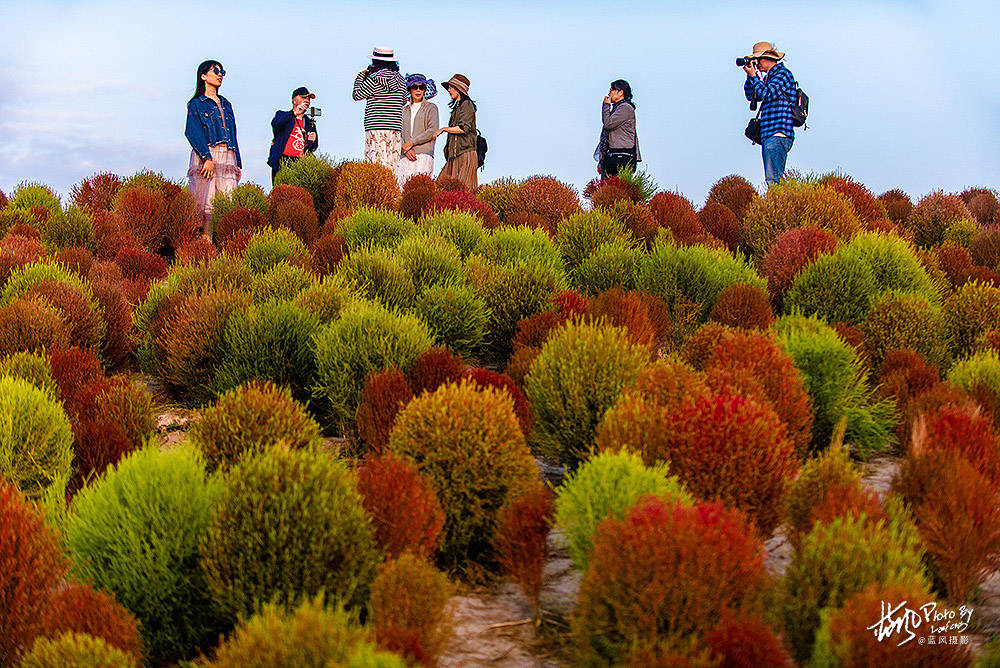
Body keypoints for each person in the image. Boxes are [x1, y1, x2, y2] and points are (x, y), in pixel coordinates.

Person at [185, 59, 241, 241]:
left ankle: (224, 241)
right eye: (215, 70)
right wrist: (205, 157)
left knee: (227, 200)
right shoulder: (196, 104)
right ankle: (205, 242)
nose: (219, 75)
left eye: (222, 71)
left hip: (228, 155)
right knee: (205, 202)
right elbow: (192, 132)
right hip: (207, 152)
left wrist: (238, 162)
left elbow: (233, 133)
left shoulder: (227, 104)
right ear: (203, 76)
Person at [742, 41, 798, 186]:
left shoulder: (783, 74)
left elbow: (767, 94)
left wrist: (754, 77)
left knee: (773, 178)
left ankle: (778, 205)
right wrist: (750, 76)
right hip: (768, 134)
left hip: (778, 133)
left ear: (768, 58)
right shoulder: (768, 78)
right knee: (772, 177)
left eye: (757, 60)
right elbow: (751, 95)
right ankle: (777, 203)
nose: (757, 63)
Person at [352, 46, 407, 170]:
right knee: (392, 166)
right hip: (394, 127)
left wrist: (361, 76)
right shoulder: (401, 81)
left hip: (376, 125)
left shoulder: (374, 79)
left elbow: (356, 95)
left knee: (375, 165)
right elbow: (403, 100)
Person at [395, 74, 440, 189]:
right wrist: (406, 149)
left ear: (425, 89)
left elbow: (432, 130)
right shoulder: (403, 110)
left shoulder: (431, 108)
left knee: (421, 190)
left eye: (421, 87)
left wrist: (411, 143)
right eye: (415, 87)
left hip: (423, 154)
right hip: (405, 155)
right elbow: (397, 132)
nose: (418, 90)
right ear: (410, 89)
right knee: (401, 188)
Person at [435, 74, 478, 191]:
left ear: (459, 88)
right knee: (442, 186)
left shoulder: (467, 105)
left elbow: (463, 128)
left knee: (464, 191)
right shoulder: (457, 108)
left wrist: (443, 129)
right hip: (454, 154)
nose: (449, 90)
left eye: (451, 87)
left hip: (465, 153)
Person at [268, 86, 319, 183]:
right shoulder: (282, 115)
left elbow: (314, 147)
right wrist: (294, 113)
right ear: (294, 100)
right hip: (283, 161)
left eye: (308, 99)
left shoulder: (309, 122)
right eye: (304, 98)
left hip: (301, 162)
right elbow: (275, 124)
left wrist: (313, 141)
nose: (307, 101)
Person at [594, 79, 641, 178]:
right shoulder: (618, 108)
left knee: (616, 186)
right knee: (608, 187)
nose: (609, 93)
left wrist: (606, 105)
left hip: (623, 156)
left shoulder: (625, 108)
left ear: (621, 92)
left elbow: (608, 124)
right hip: (615, 155)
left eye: (612, 90)